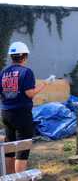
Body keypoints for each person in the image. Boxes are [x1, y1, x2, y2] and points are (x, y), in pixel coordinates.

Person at [0, 42, 49, 174]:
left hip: (6, 113)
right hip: (21, 114)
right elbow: (29, 93)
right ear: (25, 56)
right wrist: (44, 85)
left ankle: (9, 177)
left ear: (11, 56)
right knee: (22, 148)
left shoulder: (3, 72)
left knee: (9, 147)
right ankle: (20, 178)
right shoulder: (26, 72)